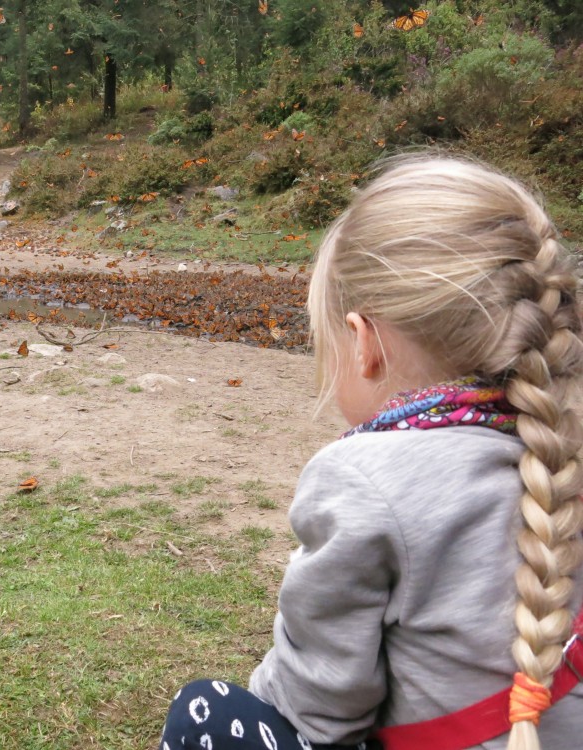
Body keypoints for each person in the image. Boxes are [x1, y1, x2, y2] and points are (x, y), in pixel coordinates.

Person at [159, 155, 583, 750]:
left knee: (204, 712)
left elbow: (319, 711)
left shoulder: (363, 478)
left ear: (363, 344)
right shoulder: (561, 453)